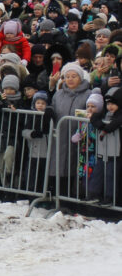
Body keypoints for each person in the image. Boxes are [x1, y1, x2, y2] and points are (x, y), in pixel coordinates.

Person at [51, 62, 91, 193]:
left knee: (75, 167)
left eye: (74, 76)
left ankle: (74, 197)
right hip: (60, 136)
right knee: (59, 166)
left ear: (80, 78)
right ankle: (59, 196)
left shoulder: (88, 94)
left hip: (79, 138)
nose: (70, 79)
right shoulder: (58, 94)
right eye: (67, 76)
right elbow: (53, 110)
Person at [89, 87, 122, 205]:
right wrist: (101, 125)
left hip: (115, 153)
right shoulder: (105, 113)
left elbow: (117, 121)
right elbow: (94, 117)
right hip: (103, 151)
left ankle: (110, 197)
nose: (110, 106)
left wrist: (106, 128)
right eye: (108, 104)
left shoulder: (118, 115)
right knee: (98, 173)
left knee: (111, 175)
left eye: (113, 103)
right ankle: (94, 194)